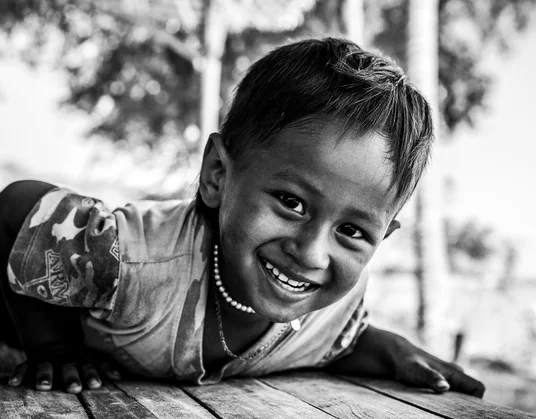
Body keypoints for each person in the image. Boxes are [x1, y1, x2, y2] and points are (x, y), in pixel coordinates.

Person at [0, 37, 484, 397]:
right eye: (291, 203)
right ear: (216, 174)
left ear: (384, 237)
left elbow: (341, 340)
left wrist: (391, 349)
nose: (312, 253)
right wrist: (52, 347)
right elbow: (16, 204)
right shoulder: (130, 260)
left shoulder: (334, 304)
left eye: (353, 231)